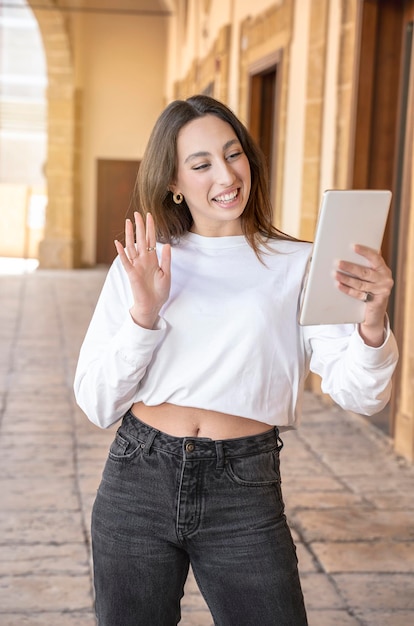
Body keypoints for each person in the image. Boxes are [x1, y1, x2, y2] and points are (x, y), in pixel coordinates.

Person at [74, 94, 398, 626]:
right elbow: (97, 402)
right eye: (201, 164)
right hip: (138, 480)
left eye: (234, 154)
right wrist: (144, 316)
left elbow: (361, 395)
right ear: (174, 183)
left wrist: (370, 322)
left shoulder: (299, 264)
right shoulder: (142, 266)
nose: (225, 175)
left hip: (244, 487)